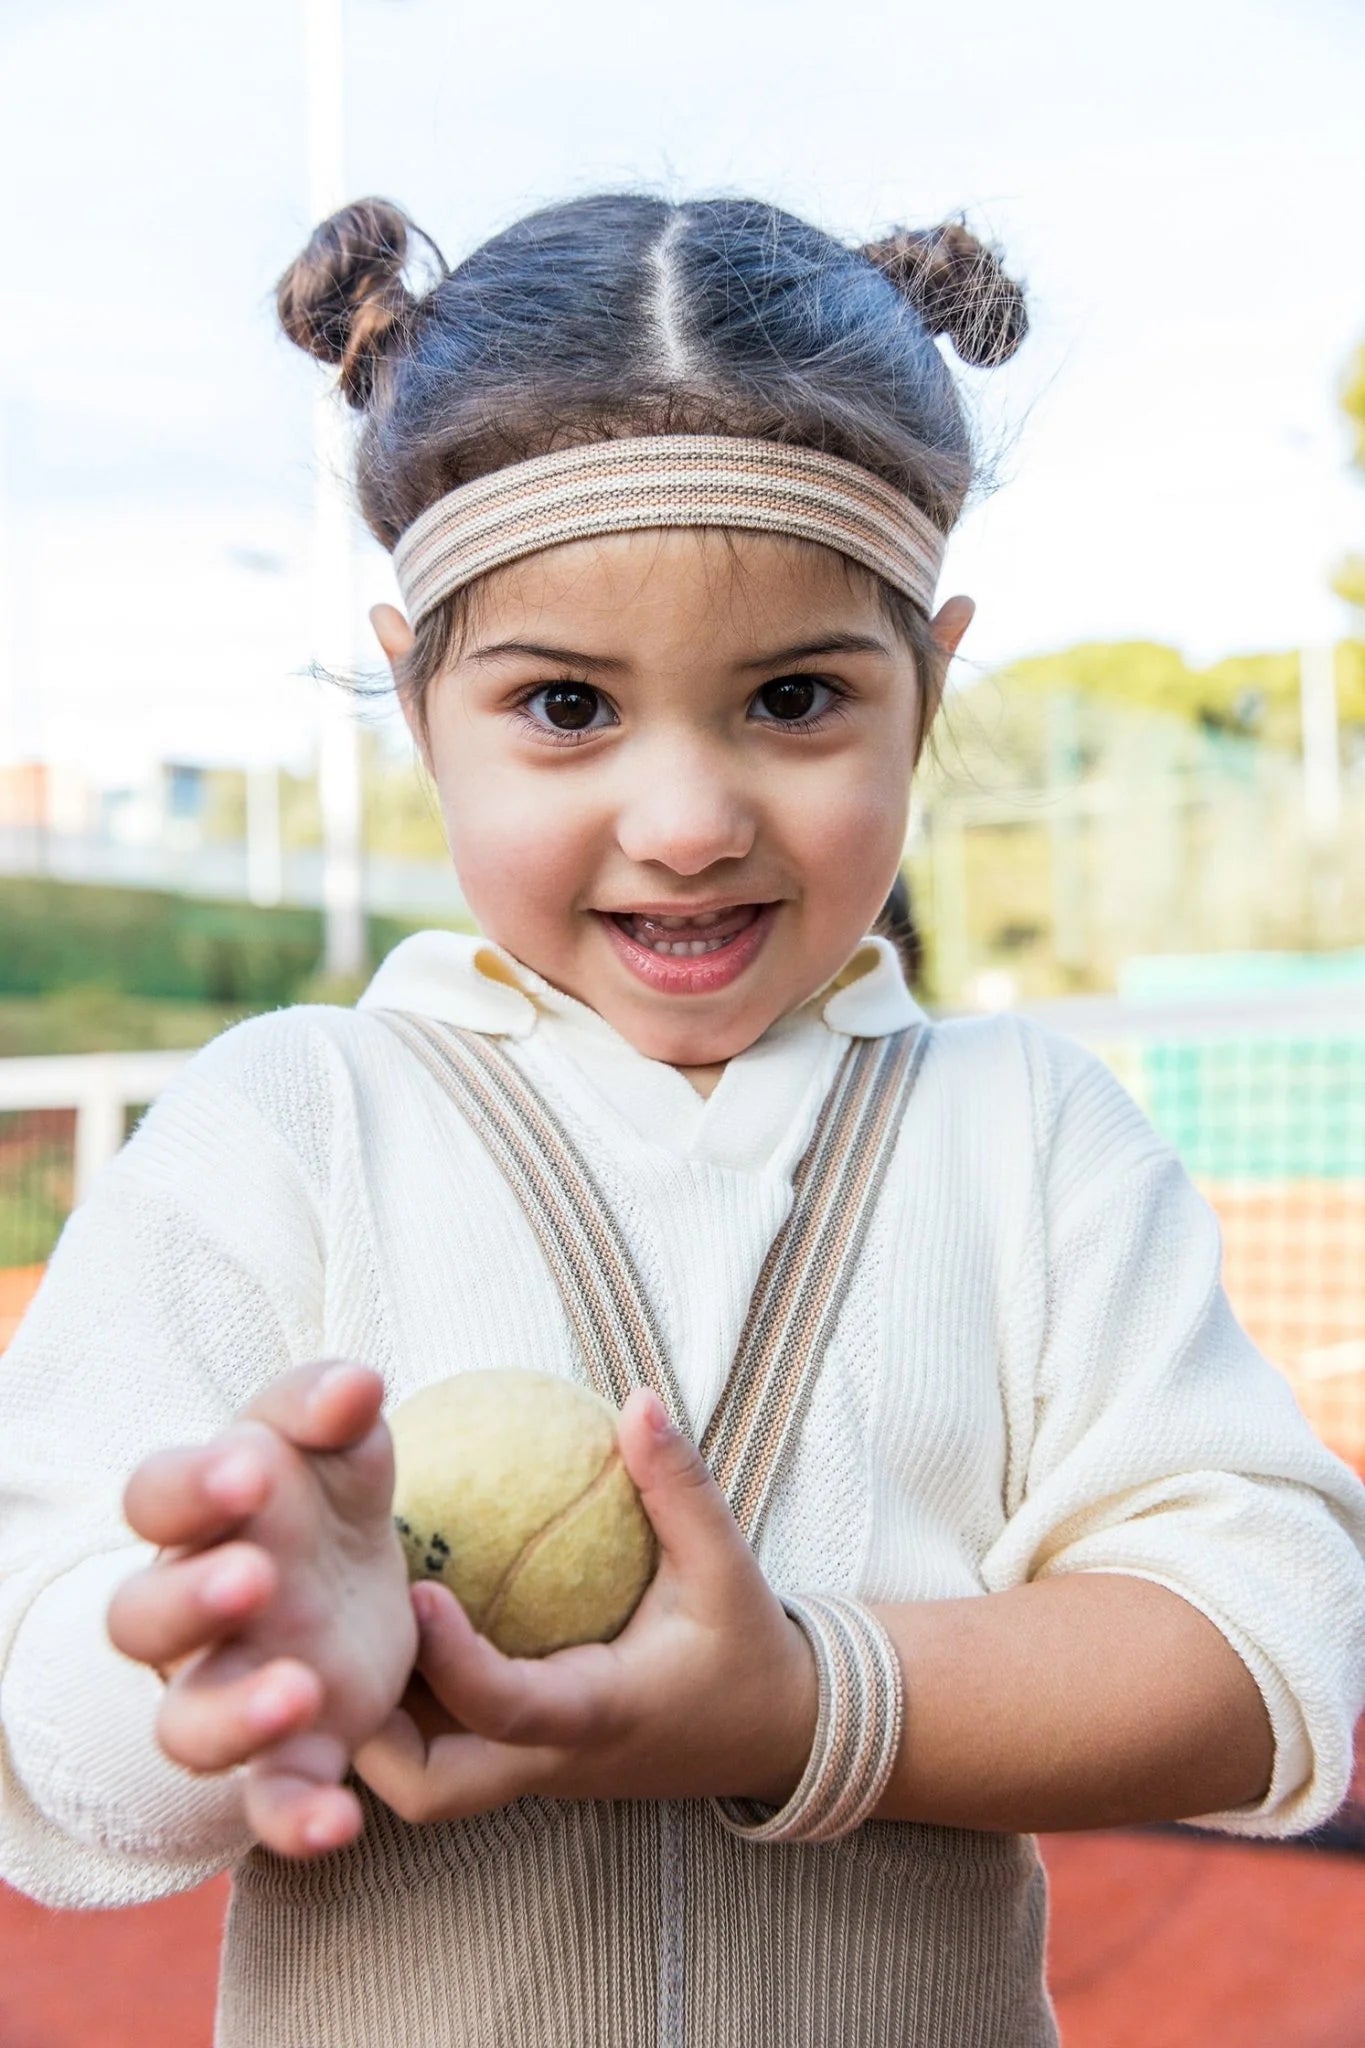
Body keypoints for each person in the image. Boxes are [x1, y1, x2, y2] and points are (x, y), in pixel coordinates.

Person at [1, 192, 1363, 2048]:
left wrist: (797, 1701)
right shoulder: (290, 1118)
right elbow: (54, 1719)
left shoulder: (1029, 1134)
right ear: (419, 696)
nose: (687, 819)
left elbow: (1264, 1649)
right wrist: (249, 1667)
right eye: (565, 705)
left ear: (930, 680)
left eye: (794, 699)